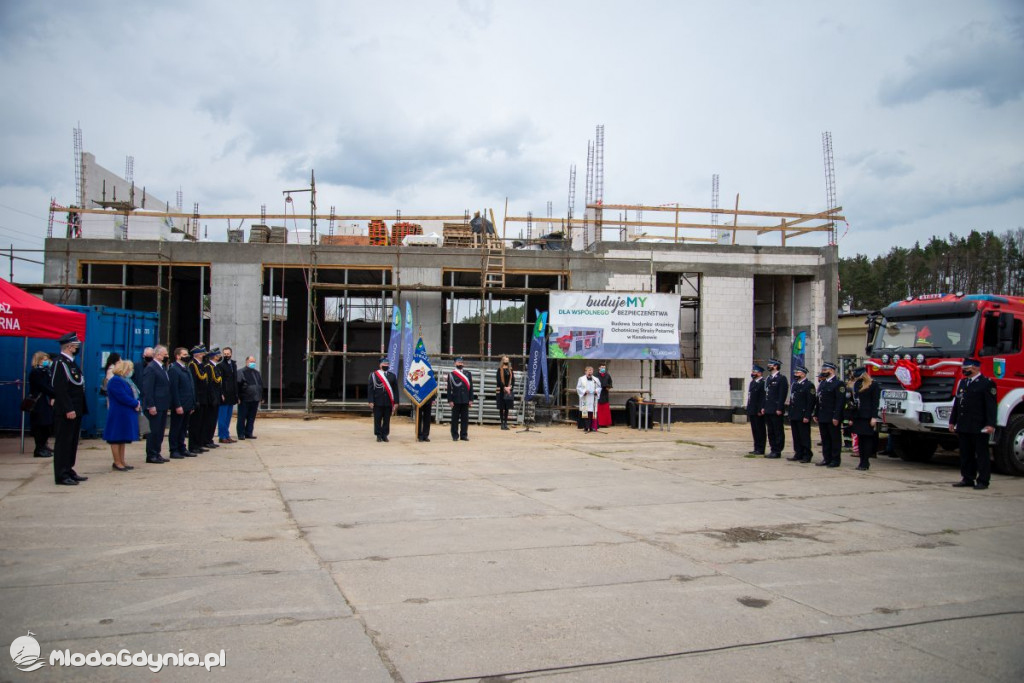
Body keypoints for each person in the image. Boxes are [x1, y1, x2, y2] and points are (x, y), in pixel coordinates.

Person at [949, 358, 997, 490]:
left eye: (967, 368)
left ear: (976, 368)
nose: (964, 370)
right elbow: (957, 403)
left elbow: (991, 406)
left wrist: (990, 424)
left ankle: (983, 480)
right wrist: (952, 421)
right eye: (964, 368)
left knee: (981, 454)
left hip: (979, 425)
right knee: (966, 453)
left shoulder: (986, 383)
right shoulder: (963, 383)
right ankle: (967, 478)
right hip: (964, 424)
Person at [50, 332, 88, 486]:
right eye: (76, 346)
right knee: (63, 443)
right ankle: (61, 474)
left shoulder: (70, 363)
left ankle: (68, 469)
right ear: (70, 347)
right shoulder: (60, 363)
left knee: (72, 442)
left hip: (76, 409)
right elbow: (59, 389)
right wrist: (68, 408)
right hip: (66, 411)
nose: (77, 348)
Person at [103, 360, 141, 471]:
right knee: (115, 438)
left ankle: (122, 460)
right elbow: (122, 396)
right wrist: (135, 403)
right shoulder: (115, 381)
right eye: (129, 369)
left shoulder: (126, 380)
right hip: (118, 414)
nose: (131, 371)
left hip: (126, 412)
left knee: (122, 438)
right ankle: (117, 462)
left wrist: (137, 402)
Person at [141, 345, 171, 463]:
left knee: (160, 431)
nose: (166, 356)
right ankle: (151, 454)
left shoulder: (162, 368)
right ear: (158, 355)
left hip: (162, 404)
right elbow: (148, 389)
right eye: (165, 354)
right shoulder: (151, 368)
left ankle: (157, 452)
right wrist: (151, 405)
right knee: (154, 431)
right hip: (155, 405)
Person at [847, 367, 881, 471]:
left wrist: (874, 417)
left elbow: (875, 403)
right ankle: (861, 461)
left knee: (866, 440)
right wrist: (851, 417)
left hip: (867, 416)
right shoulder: (857, 384)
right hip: (858, 415)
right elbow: (854, 402)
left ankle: (865, 462)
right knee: (860, 440)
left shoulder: (873, 385)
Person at [813, 362, 845, 467]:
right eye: (823, 370)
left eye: (825, 370)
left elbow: (840, 402)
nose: (823, 372)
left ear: (832, 370)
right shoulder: (823, 383)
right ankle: (826, 458)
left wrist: (836, 416)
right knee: (825, 438)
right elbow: (819, 400)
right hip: (823, 415)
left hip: (832, 416)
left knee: (834, 438)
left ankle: (835, 460)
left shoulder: (838, 383)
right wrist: (816, 413)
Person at [168, 346, 197, 458]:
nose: (187, 356)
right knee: (176, 428)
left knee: (183, 428)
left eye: (187, 354)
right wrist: (177, 405)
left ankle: (182, 447)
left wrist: (192, 404)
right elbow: (174, 389)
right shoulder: (174, 369)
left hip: (187, 404)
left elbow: (191, 387)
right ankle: (174, 449)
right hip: (180, 405)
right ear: (178, 356)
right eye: (184, 355)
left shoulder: (186, 368)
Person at [27, 351, 56, 458]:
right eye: (44, 360)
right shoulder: (36, 372)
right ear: (38, 360)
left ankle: (43, 446)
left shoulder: (45, 371)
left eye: (47, 360)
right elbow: (43, 386)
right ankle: (39, 448)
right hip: (38, 401)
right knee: (40, 425)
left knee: (47, 425)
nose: (46, 362)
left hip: (45, 400)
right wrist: (55, 393)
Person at [787, 365, 815, 463]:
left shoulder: (808, 385)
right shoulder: (795, 384)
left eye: (797, 373)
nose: (795, 374)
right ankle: (798, 453)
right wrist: (790, 413)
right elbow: (792, 400)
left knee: (804, 436)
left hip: (803, 415)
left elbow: (810, 402)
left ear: (803, 374)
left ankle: (807, 454)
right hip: (794, 414)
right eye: (795, 373)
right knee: (796, 435)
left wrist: (807, 415)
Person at [368, 357, 399, 442]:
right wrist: (370, 401)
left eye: (387, 364)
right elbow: (370, 389)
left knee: (386, 420)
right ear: (380, 365)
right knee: (377, 419)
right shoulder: (374, 375)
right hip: (377, 401)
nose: (386, 365)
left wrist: (396, 402)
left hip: (388, 402)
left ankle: (385, 435)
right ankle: (378, 435)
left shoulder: (392, 376)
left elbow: (395, 390)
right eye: (384, 364)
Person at [763, 358, 788, 458]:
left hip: (776, 408)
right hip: (768, 408)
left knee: (778, 430)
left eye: (771, 364)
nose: (769, 366)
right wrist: (764, 406)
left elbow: (782, 394)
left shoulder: (781, 378)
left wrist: (779, 408)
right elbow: (766, 394)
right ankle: (773, 449)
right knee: (771, 431)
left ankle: (778, 450)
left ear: (776, 366)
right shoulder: (768, 378)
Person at [187, 345, 211, 454]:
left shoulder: (201, 365)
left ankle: (199, 443)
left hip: (203, 397)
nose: (204, 355)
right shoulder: (193, 365)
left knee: (201, 422)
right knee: (195, 423)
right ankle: (193, 445)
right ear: (198, 354)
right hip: (198, 397)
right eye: (202, 353)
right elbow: (194, 384)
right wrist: (195, 399)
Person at [447, 357, 474, 441]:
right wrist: (450, 400)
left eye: (461, 362)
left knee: (465, 419)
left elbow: (471, 387)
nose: (460, 364)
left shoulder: (468, 374)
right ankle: (455, 435)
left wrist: (471, 399)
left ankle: (464, 435)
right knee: (455, 419)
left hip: (465, 399)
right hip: (455, 399)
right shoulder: (451, 374)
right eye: (458, 362)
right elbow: (449, 388)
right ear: (455, 363)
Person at [237, 356, 264, 440]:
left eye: (254, 361)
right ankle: (241, 434)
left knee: (251, 417)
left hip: (255, 398)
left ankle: (249, 433)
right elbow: (238, 385)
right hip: (245, 398)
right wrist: (238, 397)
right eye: (251, 361)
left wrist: (261, 397)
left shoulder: (257, 372)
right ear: (247, 361)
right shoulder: (241, 372)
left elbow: (260, 385)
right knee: (242, 417)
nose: (253, 363)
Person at [203, 348, 224, 449]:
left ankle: (210, 439)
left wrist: (220, 395)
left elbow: (218, 383)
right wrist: (213, 397)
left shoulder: (215, 367)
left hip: (216, 396)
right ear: (214, 356)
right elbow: (209, 384)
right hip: (211, 398)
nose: (220, 357)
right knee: (209, 420)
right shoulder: (208, 367)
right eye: (218, 355)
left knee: (213, 420)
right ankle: (206, 439)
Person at [217, 347, 239, 443]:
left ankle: (227, 434)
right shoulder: (220, 365)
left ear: (231, 353)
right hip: (224, 394)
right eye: (225, 354)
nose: (226, 355)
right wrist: (221, 393)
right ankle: (222, 436)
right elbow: (219, 381)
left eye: (228, 353)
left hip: (232, 394)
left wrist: (236, 394)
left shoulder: (233, 364)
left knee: (228, 416)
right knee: (222, 416)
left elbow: (235, 380)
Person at [745, 364, 766, 455]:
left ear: (760, 373)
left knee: (760, 430)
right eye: (752, 372)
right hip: (752, 409)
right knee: (755, 430)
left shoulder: (762, 383)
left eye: (755, 372)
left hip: (758, 411)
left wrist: (760, 409)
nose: (753, 373)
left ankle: (761, 448)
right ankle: (756, 447)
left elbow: (762, 398)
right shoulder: (753, 382)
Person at [576, 365, 600, 433]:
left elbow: (599, 387)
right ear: (585, 371)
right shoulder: (581, 379)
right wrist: (584, 391)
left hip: (593, 398)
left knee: (592, 413)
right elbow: (578, 388)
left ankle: (592, 427)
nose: (590, 372)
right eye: (588, 370)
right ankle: (586, 427)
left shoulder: (596, 379)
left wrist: (596, 391)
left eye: (591, 370)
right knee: (585, 413)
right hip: (585, 398)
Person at [495, 355, 515, 430]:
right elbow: (498, 380)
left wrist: (510, 387)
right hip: (501, 390)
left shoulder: (510, 370)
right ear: (502, 361)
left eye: (507, 361)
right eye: (505, 360)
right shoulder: (499, 370)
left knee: (507, 407)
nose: (506, 362)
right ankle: (502, 423)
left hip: (508, 390)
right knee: (501, 407)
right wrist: (504, 387)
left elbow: (513, 380)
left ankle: (506, 423)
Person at [596, 362, 613, 428]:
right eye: (602, 367)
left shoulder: (607, 375)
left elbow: (610, 383)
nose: (603, 369)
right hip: (598, 394)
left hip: (605, 393)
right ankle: (598, 423)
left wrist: (609, 387)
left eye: (604, 368)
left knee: (605, 410)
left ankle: (605, 423)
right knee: (599, 409)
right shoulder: (596, 375)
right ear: (599, 368)